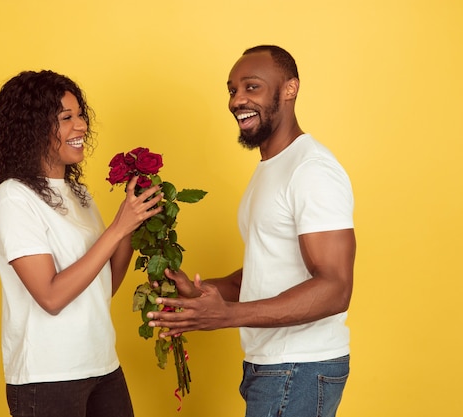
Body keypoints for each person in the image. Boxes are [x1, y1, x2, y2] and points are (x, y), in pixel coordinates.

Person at [147, 45, 356, 417]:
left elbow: (335, 287)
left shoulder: (312, 169)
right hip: (275, 367)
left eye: (252, 87)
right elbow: (266, 271)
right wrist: (200, 294)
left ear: (289, 89)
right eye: (232, 89)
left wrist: (227, 315)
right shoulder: (271, 168)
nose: (237, 99)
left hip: (299, 367)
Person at [0, 70, 163, 417]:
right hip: (48, 376)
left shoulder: (79, 193)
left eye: (80, 115)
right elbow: (51, 297)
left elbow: (102, 286)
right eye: (67, 118)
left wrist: (131, 223)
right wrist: (116, 228)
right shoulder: (14, 198)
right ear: (33, 127)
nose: (81, 126)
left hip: (101, 365)